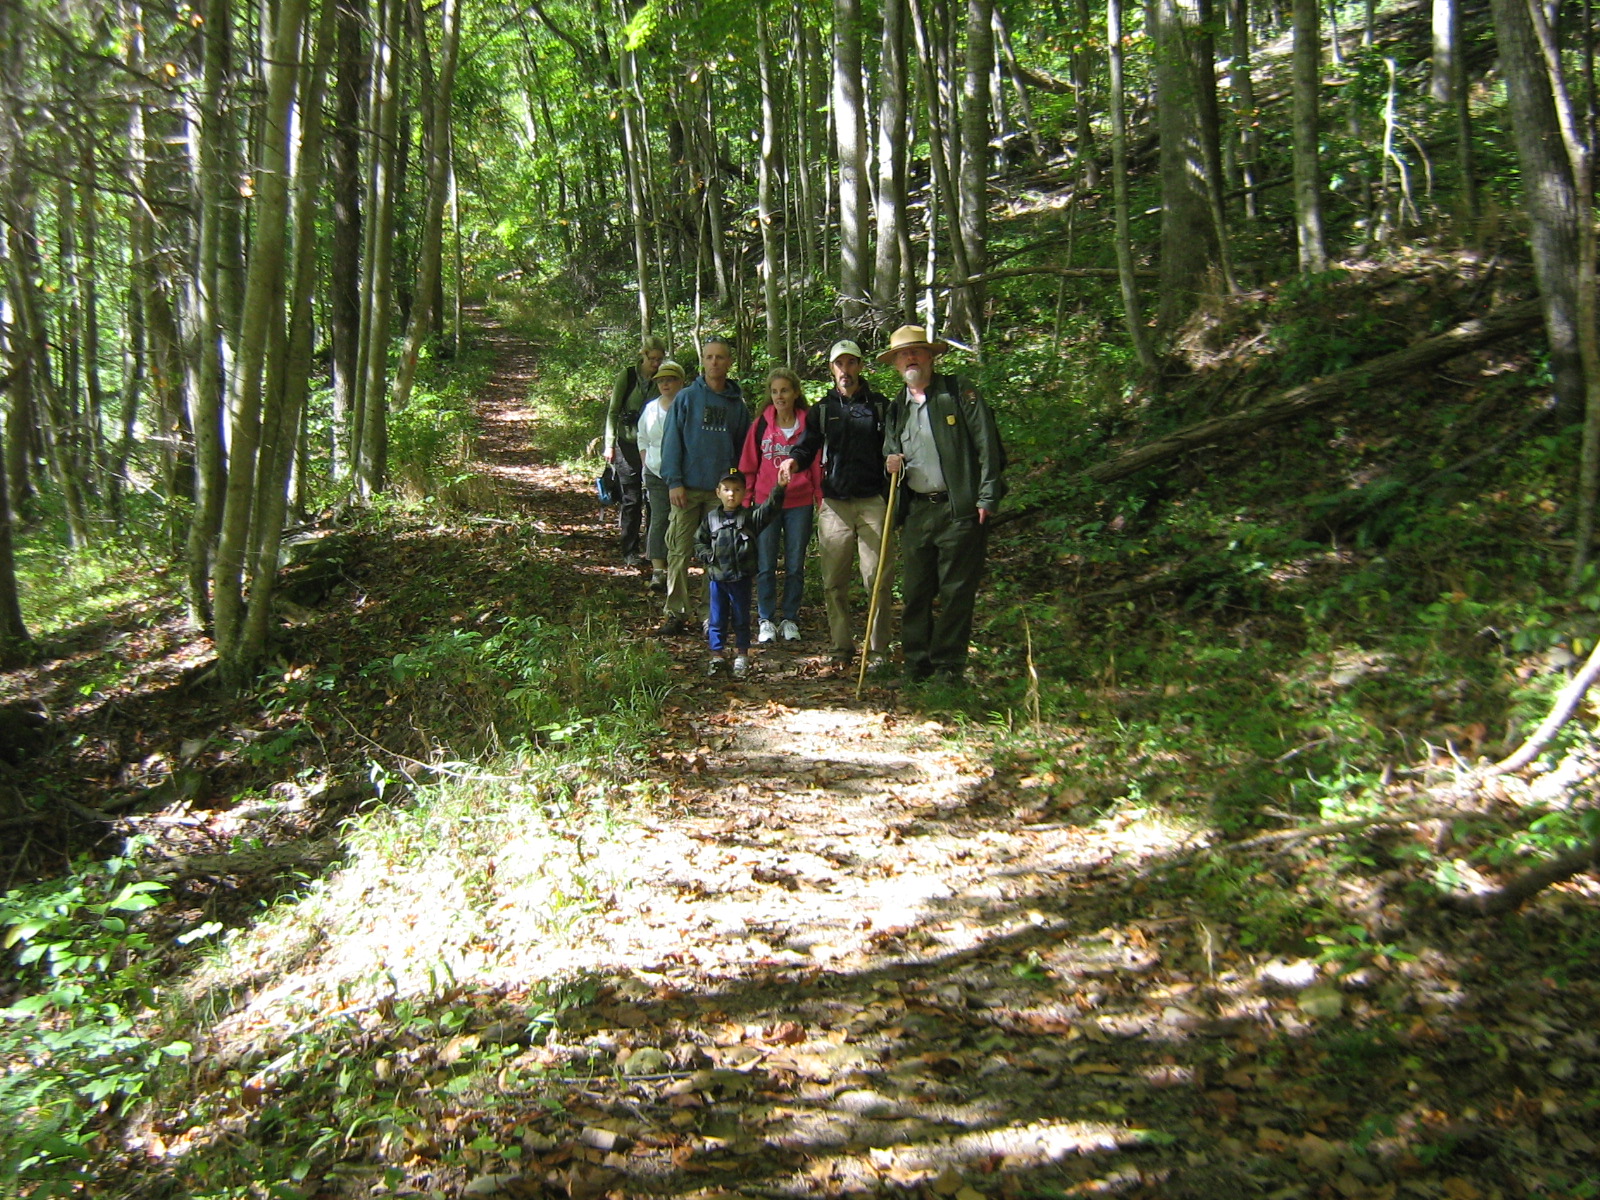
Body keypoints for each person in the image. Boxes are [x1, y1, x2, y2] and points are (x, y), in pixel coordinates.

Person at [880, 325, 1005, 684]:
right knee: (916, 590)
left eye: (917, 352)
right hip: (917, 510)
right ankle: (916, 665)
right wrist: (890, 460)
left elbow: (987, 445)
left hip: (959, 508)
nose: (911, 359)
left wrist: (987, 495)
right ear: (895, 364)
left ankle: (948, 668)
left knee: (955, 592)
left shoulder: (957, 393)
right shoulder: (896, 408)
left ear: (932, 356)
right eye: (903, 354)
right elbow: (890, 452)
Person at [782, 339, 894, 670]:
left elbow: (895, 445)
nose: (845, 370)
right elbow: (806, 446)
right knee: (833, 582)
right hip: (834, 504)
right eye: (839, 364)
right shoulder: (822, 410)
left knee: (877, 579)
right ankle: (841, 646)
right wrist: (792, 462)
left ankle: (878, 652)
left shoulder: (880, 406)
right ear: (832, 369)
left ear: (860, 366)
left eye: (851, 363)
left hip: (873, 501)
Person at [659, 338, 751, 636]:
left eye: (720, 357)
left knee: (718, 554)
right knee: (679, 551)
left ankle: (709, 613)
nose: (714, 362)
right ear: (703, 361)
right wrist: (674, 481)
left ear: (729, 362)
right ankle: (675, 612)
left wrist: (737, 487)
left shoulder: (737, 404)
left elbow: (742, 449)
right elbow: (671, 441)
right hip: (686, 488)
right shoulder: (686, 398)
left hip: (721, 494)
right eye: (709, 357)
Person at [740, 367, 822, 645]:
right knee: (765, 564)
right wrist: (746, 499)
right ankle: (766, 619)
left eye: (784, 390)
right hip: (766, 502)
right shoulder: (761, 424)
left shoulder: (808, 424)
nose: (779, 396)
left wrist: (820, 497)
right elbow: (749, 465)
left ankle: (790, 618)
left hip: (800, 502)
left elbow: (817, 465)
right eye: (774, 391)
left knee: (795, 564)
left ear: (796, 392)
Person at [695, 467, 790, 678]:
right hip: (718, 579)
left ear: (745, 493)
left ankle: (742, 655)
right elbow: (698, 542)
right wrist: (708, 556)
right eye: (726, 489)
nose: (731, 494)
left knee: (741, 618)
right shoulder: (710, 520)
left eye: (737, 489)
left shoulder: (749, 518)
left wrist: (780, 488)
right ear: (718, 492)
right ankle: (717, 656)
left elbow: (769, 510)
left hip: (741, 579)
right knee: (716, 619)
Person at [605, 336, 665, 567]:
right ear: (644, 356)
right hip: (626, 444)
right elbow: (613, 410)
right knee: (631, 499)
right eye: (652, 359)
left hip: (651, 446)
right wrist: (609, 443)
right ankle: (629, 550)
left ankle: (653, 550)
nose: (656, 364)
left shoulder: (661, 381)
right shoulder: (628, 376)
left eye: (659, 359)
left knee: (653, 500)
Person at [636, 359, 686, 592]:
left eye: (670, 380)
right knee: (658, 518)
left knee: (680, 520)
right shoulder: (651, 409)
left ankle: (679, 566)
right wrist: (646, 461)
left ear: (680, 382)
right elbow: (642, 437)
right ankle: (658, 569)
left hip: (683, 473)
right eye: (661, 381)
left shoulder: (688, 405)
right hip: (655, 472)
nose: (665, 385)